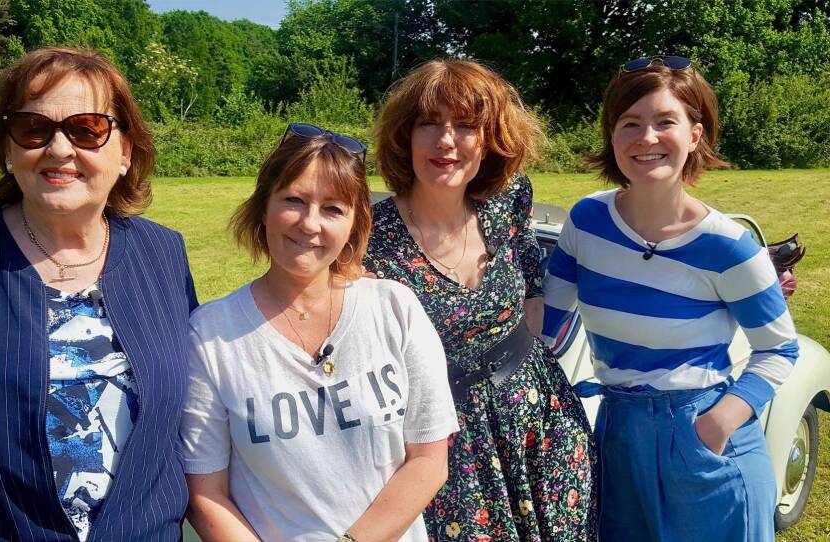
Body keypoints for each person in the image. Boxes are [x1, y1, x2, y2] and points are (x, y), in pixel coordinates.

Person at [0, 47, 198, 541]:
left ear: (126, 150)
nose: (60, 149)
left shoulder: (164, 254)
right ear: (7, 146)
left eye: (87, 129)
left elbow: (190, 420)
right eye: (33, 128)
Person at [541, 56, 799, 541]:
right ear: (612, 136)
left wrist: (717, 424)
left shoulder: (728, 247)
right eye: (630, 123)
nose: (647, 138)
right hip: (617, 434)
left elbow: (780, 349)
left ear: (695, 136)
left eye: (666, 122)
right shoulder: (586, 221)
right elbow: (547, 328)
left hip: (703, 439)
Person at [180, 123, 459, 542]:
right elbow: (206, 493)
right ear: (263, 208)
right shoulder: (211, 334)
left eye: (333, 209)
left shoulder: (395, 308)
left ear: (354, 223)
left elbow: (429, 460)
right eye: (293, 200)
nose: (310, 224)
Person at [366, 59, 596, 541]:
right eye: (429, 123)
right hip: (448, 452)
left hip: (544, 426)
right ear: (404, 137)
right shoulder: (369, 237)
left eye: (467, 126)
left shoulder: (509, 199)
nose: (446, 141)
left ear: (490, 139)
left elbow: (533, 293)